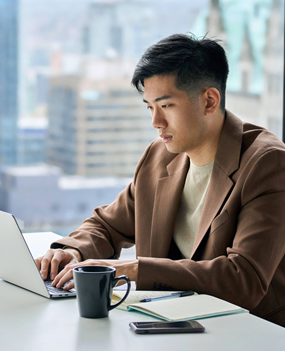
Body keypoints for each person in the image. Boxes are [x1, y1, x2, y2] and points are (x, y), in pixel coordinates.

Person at [36, 34, 285, 327]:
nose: (156, 122)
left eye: (166, 106)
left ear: (209, 101)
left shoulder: (268, 163)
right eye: (149, 107)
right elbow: (108, 225)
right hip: (165, 327)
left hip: (245, 333)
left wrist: (136, 269)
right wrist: (72, 251)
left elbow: (243, 279)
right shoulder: (161, 156)